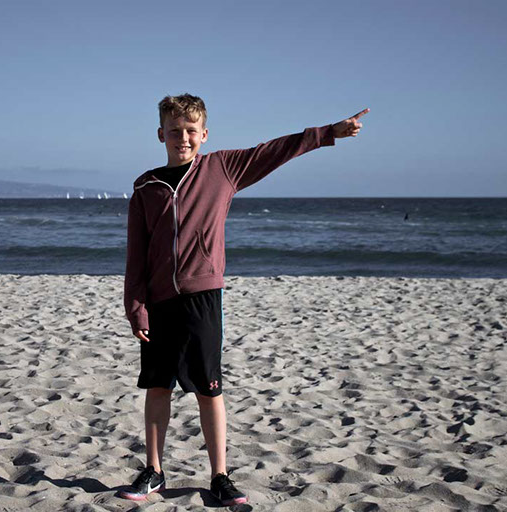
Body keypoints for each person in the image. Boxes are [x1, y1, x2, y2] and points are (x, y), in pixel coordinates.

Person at [121, 93, 368, 505]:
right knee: (158, 387)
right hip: (160, 301)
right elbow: (137, 254)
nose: (183, 138)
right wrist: (136, 306)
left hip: (202, 297)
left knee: (208, 389)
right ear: (160, 133)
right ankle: (154, 471)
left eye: (190, 131)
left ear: (204, 134)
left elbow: (273, 151)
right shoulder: (146, 187)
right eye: (175, 131)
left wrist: (329, 134)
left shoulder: (222, 168)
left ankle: (219, 476)